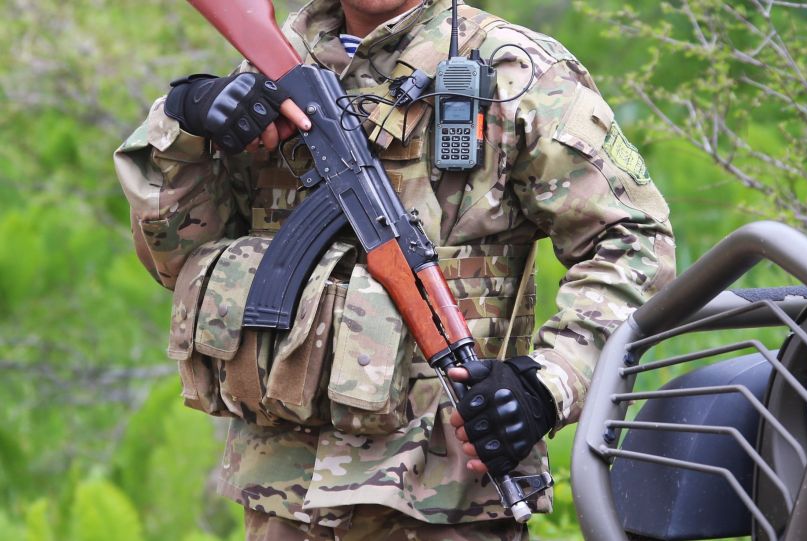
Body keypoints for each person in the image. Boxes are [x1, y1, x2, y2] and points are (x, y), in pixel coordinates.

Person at [114, 0, 676, 539]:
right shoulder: (266, 68)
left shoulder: (516, 73)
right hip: (282, 500)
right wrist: (184, 123)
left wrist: (548, 382)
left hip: (445, 498)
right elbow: (175, 256)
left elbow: (636, 242)